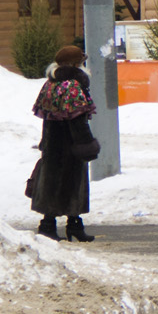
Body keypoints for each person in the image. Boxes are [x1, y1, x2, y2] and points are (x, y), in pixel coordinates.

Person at [30, 45, 99, 242]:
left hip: (52, 143)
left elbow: (46, 114)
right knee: (74, 184)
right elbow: (77, 119)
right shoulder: (73, 85)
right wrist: (86, 144)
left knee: (52, 184)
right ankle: (73, 226)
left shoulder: (50, 83)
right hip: (70, 144)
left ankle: (49, 226)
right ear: (76, 64)